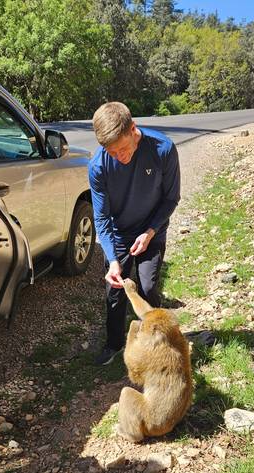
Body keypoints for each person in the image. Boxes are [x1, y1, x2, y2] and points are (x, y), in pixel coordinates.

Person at [88, 102, 181, 365]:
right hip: (118, 233)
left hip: (152, 227)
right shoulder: (98, 166)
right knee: (115, 290)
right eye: (111, 152)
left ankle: (162, 338)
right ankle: (114, 344)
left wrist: (151, 232)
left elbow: (171, 198)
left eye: (123, 149)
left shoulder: (162, 149)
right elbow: (102, 217)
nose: (119, 156)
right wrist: (112, 259)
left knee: (149, 286)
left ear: (133, 129)